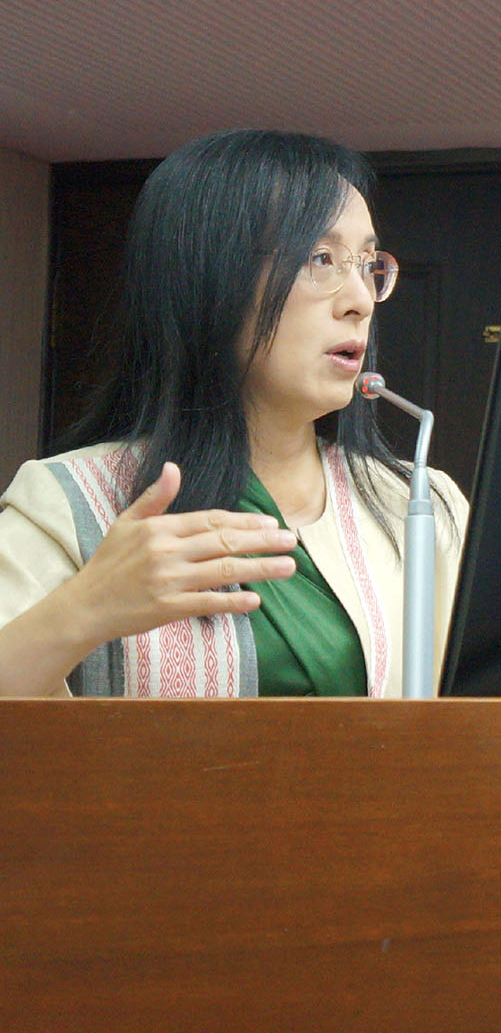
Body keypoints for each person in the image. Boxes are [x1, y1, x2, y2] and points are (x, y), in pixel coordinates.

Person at [0, 130, 466, 697]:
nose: (361, 300)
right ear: (210, 280)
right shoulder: (66, 502)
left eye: (368, 265)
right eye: (321, 258)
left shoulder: (420, 507)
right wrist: (83, 610)